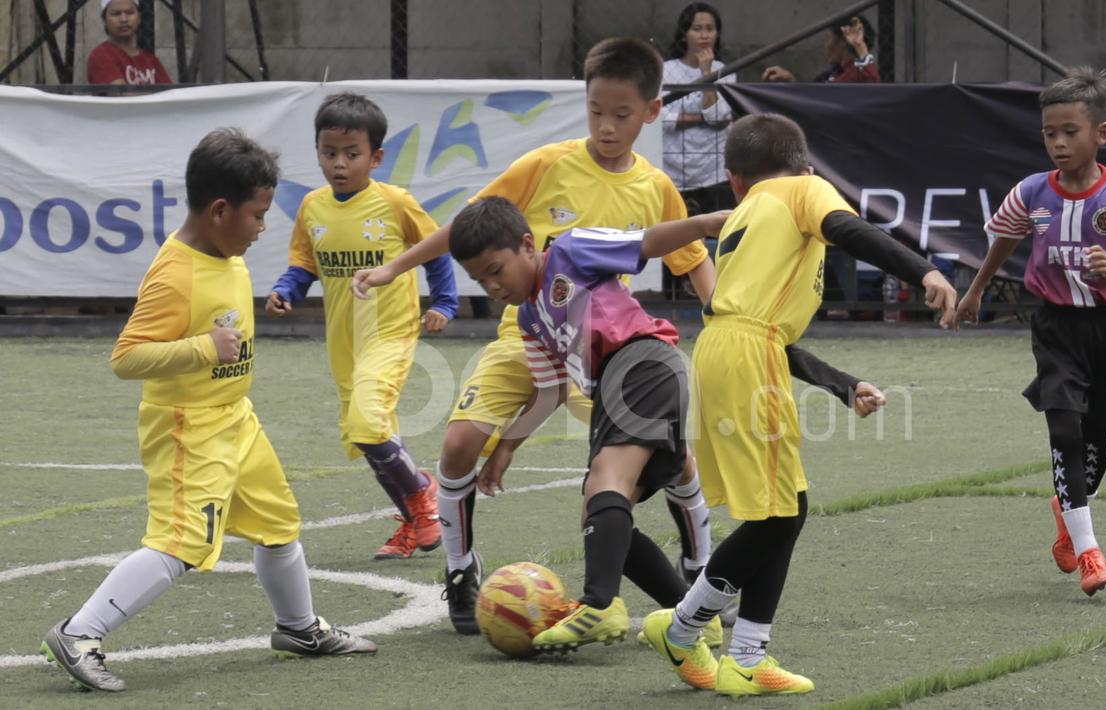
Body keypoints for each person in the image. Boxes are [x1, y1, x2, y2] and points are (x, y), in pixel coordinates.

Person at [351, 37, 718, 636]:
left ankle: (698, 556)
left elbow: (689, 255)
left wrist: (724, 311)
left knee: (659, 462)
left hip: (600, 355)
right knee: (459, 445)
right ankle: (460, 568)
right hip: (525, 339)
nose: (605, 125)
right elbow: (470, 227)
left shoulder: (654, 187)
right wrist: (397, 266)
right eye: (596, 111)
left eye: (621, 115)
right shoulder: (547, 164)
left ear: (651, 114)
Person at [40, 129, 375, 693]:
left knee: (277, 523)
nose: (263, 228)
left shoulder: (226, 251)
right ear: (219, 210)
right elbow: (126, 357)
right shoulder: (175, 273)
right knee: (181, 542)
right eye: (257, 215)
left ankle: (299, 629)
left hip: (235, 418)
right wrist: (202, 348)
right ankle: (79, 634)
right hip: (187, 427)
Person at [641, 113, 956, 697]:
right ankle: (688, 630)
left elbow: (766, 332)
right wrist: (925, 270)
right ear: (805, 165)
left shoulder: (748, 214)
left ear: (734, 180)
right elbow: (853, 231)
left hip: (724, 351)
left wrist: (843, 383)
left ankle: (741, 652)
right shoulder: (803, 189)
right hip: (744, 355)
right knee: (781, 516)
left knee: (783, 510)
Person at [446, 197, 730, 655]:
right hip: (623, 384)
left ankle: (599, 604)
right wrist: (506, 447)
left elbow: (649, 241)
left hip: (640, 361)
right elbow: (549, 390)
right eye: (480, 280)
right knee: (597, 512)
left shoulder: (571, 251)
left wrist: (714, 220)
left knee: (606, 483)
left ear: (526, 244)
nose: (492, 286)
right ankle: (692, 615)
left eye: (496, 270)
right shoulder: (527, 317)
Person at [956, 67, 1106, 598]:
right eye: (1050, 132)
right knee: (1064, 430)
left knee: (1098, 441)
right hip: (1054, 326)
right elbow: (1002, 239)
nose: (1059, 142)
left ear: (1101, 134)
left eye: (1070, 131)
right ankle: (1090, 551)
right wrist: (977, 290)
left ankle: (1067, 511)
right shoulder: (1030, 193)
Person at [266, 92, 457, 561]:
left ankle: (424, 497)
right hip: (344, 345)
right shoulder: (312, 208)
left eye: (352, 154)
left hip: (390, 335)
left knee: (368, 424)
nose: (339, 163)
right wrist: (287, 290)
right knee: (368, 437)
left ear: (376, 157)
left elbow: (437, 247)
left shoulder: (395, 202)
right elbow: (304, 264)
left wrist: (446, 303)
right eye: (329, 153)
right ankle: (416, 522)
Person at [662, 2, 735, 215]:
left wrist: (706, 74)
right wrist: (700, 118)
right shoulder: (666, 70)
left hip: (713, 172)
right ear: (684, 34)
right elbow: (662, 118)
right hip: (674, 170)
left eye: (710, 29)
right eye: (697, 29)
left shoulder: (725, 71)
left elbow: (718, 118)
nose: (704, 35)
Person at [761, 13, 879, 84]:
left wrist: (859, 46)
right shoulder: (833, 73)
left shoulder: (857, 74)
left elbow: (871, 82)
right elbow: (813, 100)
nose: (826, 45)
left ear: (843, 42)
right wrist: (791, 81)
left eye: (830, 39)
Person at [87, 0, 172, 87]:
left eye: (130, 13)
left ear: (139, 18)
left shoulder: (151, 60)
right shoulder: (101, 54)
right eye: (116, 14)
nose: (124, 19)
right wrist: (157, 96)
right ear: (104, 20)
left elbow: (170, 93)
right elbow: (121, 94)